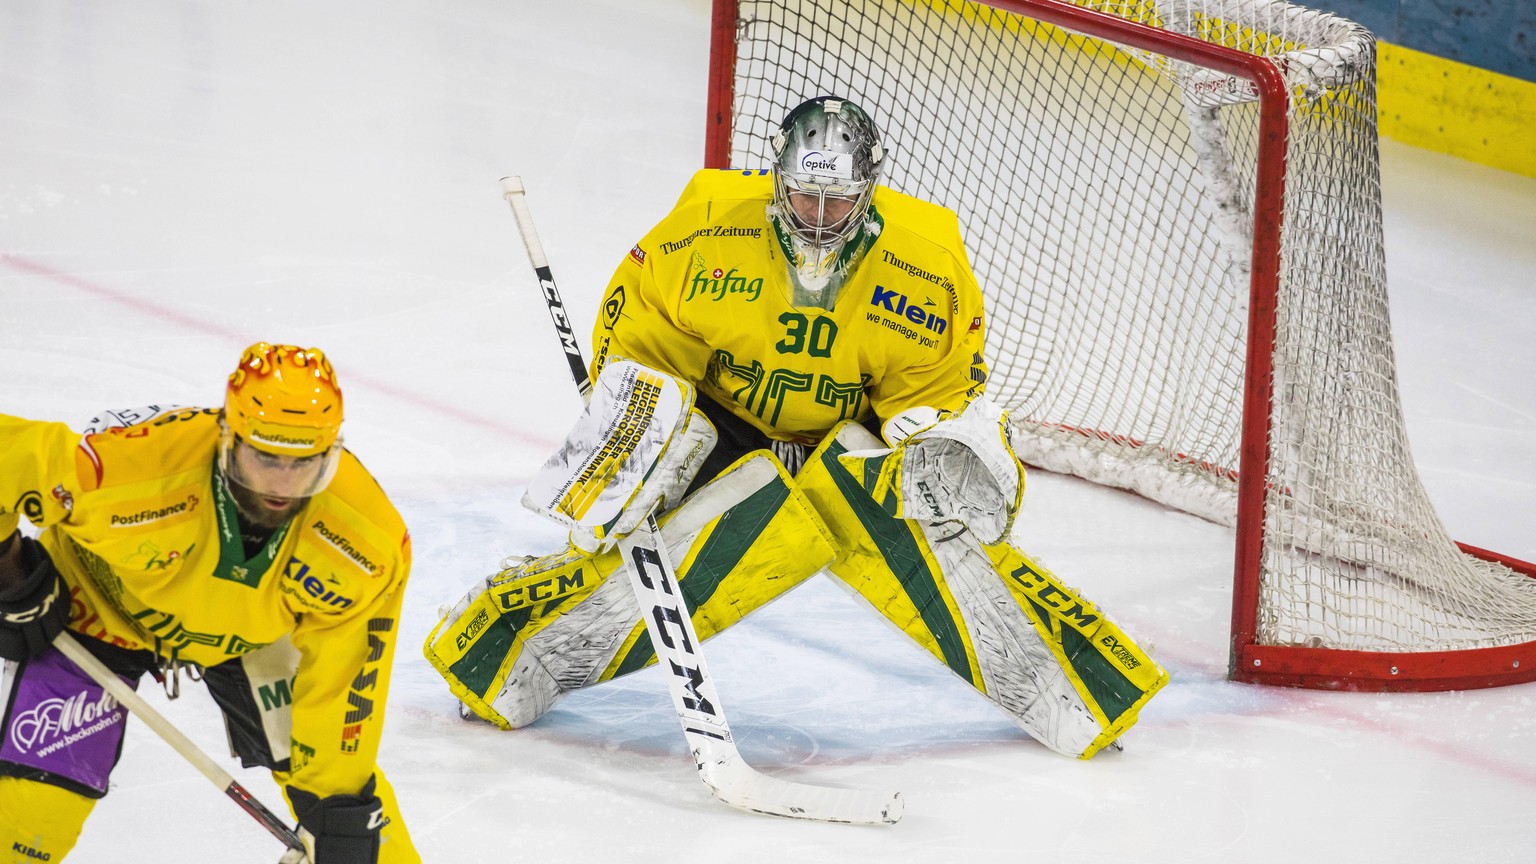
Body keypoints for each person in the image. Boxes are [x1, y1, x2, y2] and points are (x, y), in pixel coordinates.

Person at [427, 96, 1166, 760]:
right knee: (676, 542)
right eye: (803, 195)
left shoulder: (926, 269)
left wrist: (937, 445)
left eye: (836, 199)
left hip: (842, 438)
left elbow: (936, 395)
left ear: (867, 191)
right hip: (719, 428)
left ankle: (1069, 686)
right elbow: (639, 361)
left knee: (926, 520)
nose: (816, 215)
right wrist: (643, 444)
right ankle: (510, 656)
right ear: (775, 179)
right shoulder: (700, 239)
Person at [0, 343, 417, 863]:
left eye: (304, 464)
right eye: (264, 457)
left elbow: (346, 686)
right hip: (95, 611)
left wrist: (336, 809)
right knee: (29, 822)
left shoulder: (365, 541)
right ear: (228, 437)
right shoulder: (138, 468)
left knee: (356, 826)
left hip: (251, 637)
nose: (281, 487)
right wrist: (8, 566)